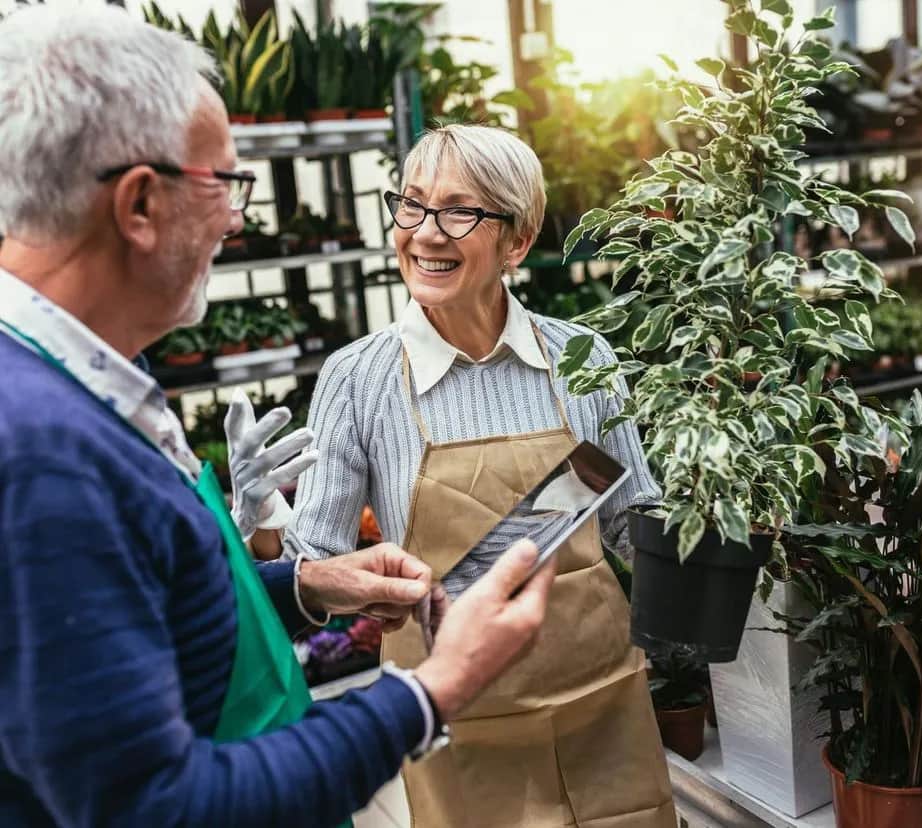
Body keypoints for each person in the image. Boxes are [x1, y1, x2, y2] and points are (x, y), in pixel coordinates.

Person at [0, 7, 555, 827]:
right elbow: (160, 809)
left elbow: (145, 617)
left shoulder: (82, 383)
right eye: (226, 182)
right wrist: (433, 691)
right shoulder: (42, 451)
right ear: (141, 205)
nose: (239, 218)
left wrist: (303, 587)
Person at [283, 124, 678, 826]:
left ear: (517, 241)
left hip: (599, 709)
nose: (425, 234)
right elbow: (315, 564)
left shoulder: (582, 358)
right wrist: (266, 533)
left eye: (459, 212)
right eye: (411, 205)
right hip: (457, 721)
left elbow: (631, 524)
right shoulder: (357, 379)